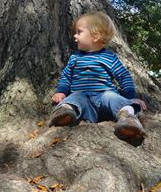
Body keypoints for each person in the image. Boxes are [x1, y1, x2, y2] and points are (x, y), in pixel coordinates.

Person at [50, 11, 147, 144]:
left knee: (112, 96)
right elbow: (66, 77)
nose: (75, 36)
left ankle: (127, 118)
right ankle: (66, 112)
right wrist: (61, 91)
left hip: (104, 100)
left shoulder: (109, 57)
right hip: (85, 103)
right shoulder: (75, 58)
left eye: (79, 32)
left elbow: (124, 77)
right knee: (75, 96)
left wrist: (131, 96)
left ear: (95, 36)